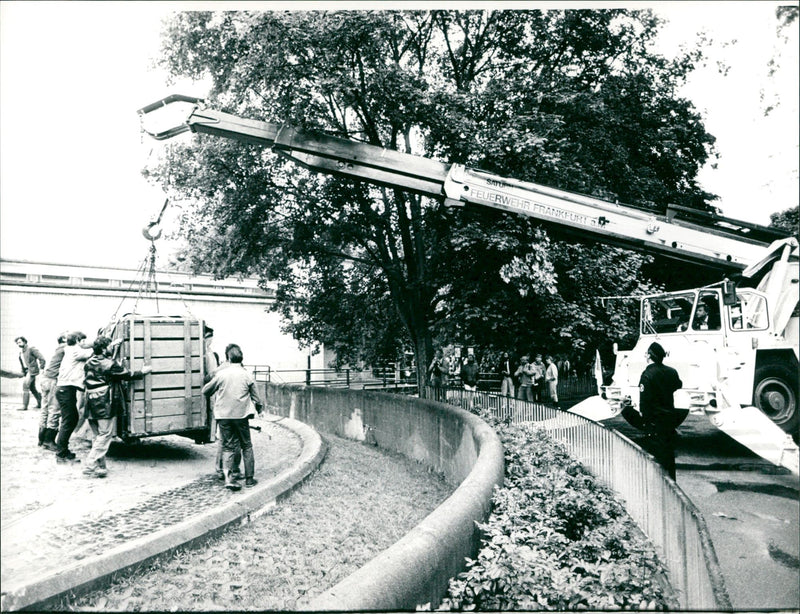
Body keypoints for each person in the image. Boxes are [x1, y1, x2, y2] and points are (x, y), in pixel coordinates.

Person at [82, 336, 151, 478]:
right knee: (105, 435)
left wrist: (112, 344)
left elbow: (103, 361)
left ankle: (100, 468)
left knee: (98, 436)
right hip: (103, 402)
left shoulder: (88, 362)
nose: (110, 348)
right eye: (108, 346)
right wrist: (142, 372)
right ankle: (90, 464)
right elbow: (126, 374)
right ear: (103, 348)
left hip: (90, 402)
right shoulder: (110, 364)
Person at [621, 342, 687, 480]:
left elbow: (645, 401)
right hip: (669, 419)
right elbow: (678, 385)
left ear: (649, 356)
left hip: (654, 421)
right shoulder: (671, 371)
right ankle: (672, 487)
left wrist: (644, 421)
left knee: (656, 459)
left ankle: (659, 488)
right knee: (669, 457)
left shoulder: (647, 374)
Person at [202, 343, 264, 491]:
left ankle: (229, 479)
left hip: (223, 417)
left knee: (228, 446)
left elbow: (206, 390)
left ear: (227, 359)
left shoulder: (221, 375)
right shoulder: (247, 375)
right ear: (241, 358)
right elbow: (257, 399)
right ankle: (249, 479)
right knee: (246, 445)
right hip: (240, 416)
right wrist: (260, 410)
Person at [54, 332, 93, 462]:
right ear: (77, 340)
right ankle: (61, 453)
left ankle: (63, 450)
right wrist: (110, 343)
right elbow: (94, 351)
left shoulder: (70, 349)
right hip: (65, 390)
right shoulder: (76, 351)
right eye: (82, 341)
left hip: (65, 390)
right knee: (68, 420)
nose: (84, 344)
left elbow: (88, 347)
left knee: (71, 418)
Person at [39, 333, 68, 450]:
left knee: (45, 409)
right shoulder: (65, 348)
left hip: (46, 379)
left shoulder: (58, 349)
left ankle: (41, 439)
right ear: (64, 340)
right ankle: (49, 440)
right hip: (53, 380)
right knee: (54, 410)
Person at [15, 336, 46, 411]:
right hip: (26, 371)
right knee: (32, 388)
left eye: (20, 342)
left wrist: (41, 368)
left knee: (25, 386)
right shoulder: (21, 352)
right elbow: (22, 363)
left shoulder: (31, 349)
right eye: (17, 343)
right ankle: (41, 404)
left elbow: (42, 358)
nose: (18, 344)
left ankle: (24, 406)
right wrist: (22, 371)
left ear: (25, 341)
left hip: (32, 371)